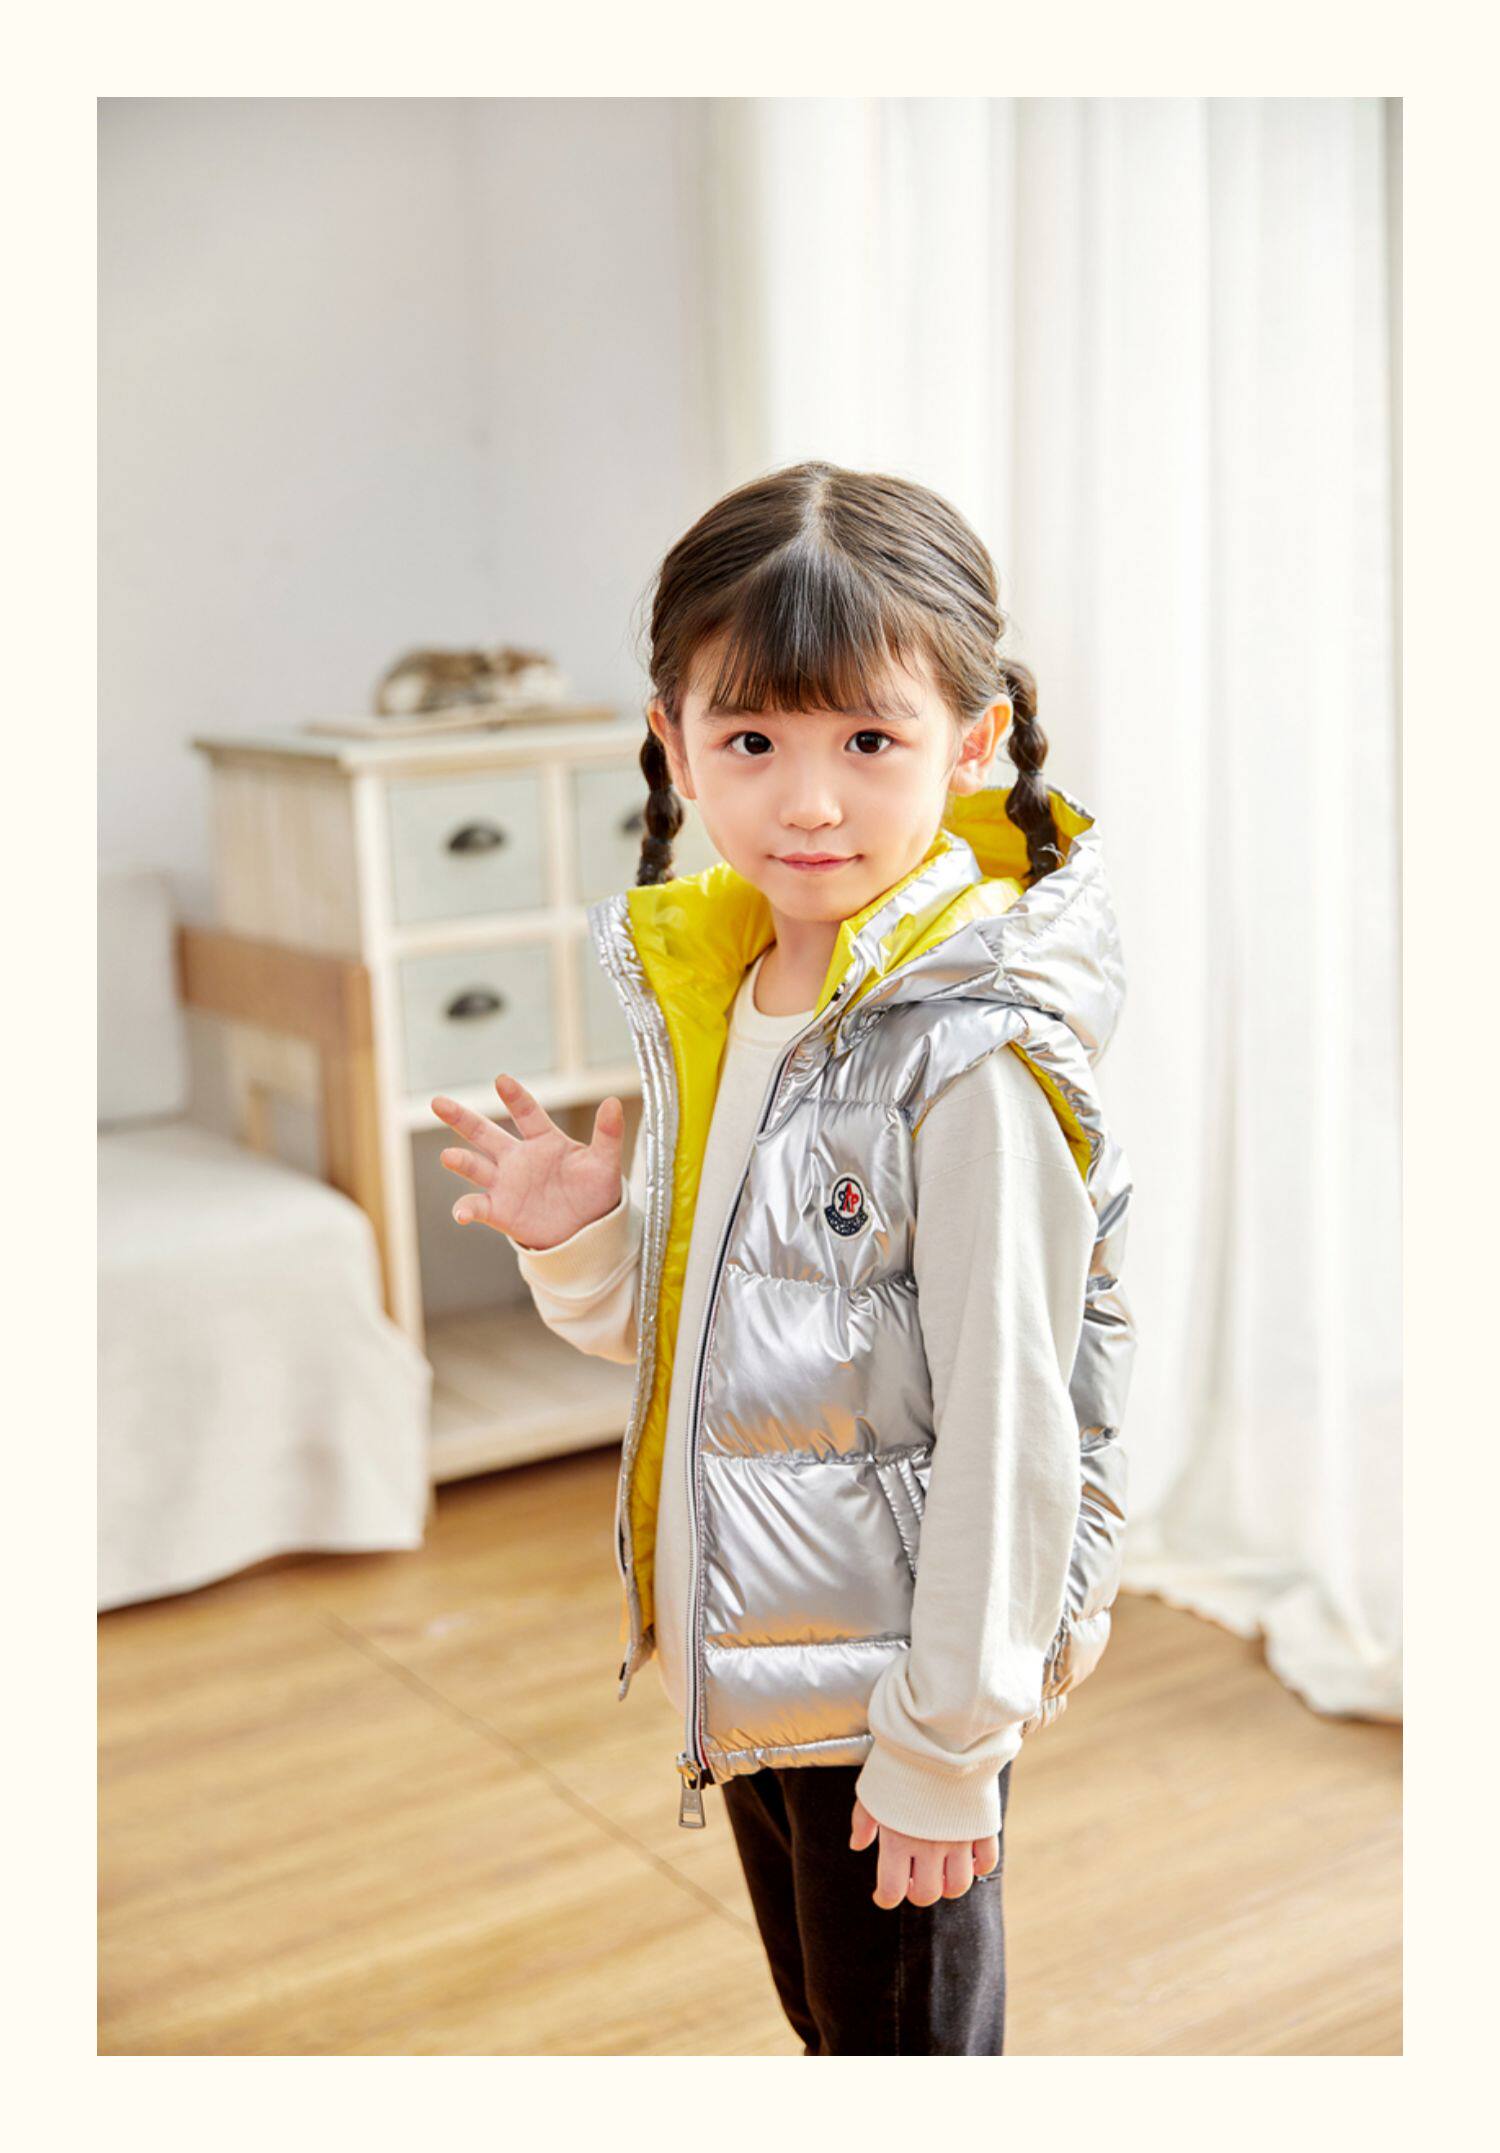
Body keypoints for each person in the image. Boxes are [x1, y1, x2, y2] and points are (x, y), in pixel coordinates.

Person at [430, 460, 1136, 2057]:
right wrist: (584, 1239)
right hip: (758, 1664)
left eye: (869, 741)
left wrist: (949, 1742)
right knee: (834, 2032)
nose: (809, 801)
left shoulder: (967, 1061)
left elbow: (1014, 1429)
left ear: (969, 745)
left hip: (894, 1694)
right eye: (753, 741)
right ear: (674, 742)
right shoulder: (732, 992)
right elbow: (724, 1343)